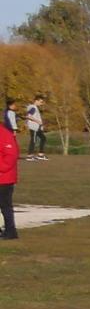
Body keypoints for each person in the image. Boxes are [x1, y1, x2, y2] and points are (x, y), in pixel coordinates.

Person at [0, 102, 19, 240]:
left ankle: (11, 231)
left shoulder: (4, 134)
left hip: (4, 178)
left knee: (5, 205)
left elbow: (11, 155)